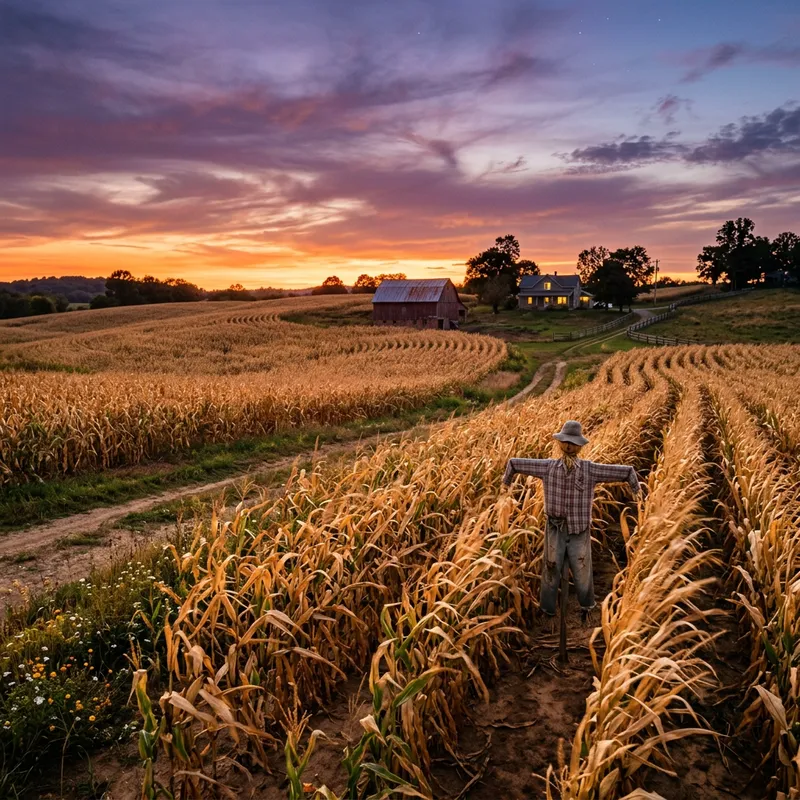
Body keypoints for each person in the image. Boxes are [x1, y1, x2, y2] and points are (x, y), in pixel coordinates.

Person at [502, 420, 640, 623]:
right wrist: (506, 483)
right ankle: (548, 611)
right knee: (550, 568)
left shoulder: (589, 469)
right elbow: (514, 463)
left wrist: (637, 491)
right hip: (555, 527)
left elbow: (626, 471)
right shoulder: (548, 467)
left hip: (579, 529)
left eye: (573, 443)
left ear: (580, 446)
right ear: (560, 443)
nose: (568, 446)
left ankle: (587, 607)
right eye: (566, 442)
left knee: (582, 569)